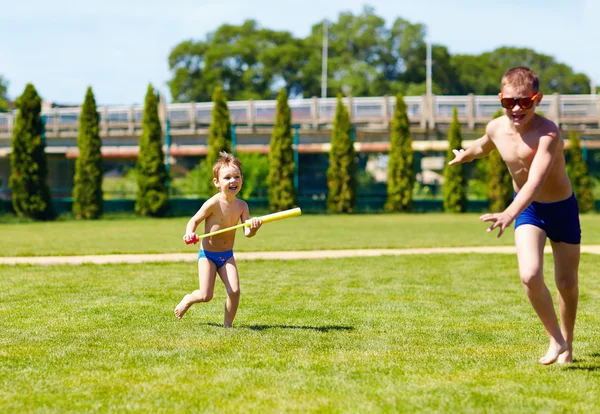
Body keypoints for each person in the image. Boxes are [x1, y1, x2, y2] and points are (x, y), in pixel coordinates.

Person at [449, 67, 580, 365]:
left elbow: (535, 181)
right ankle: (555, 340)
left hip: (560, 208)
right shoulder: (496, 127)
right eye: (509, 103)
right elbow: (483, 146)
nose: (517, 109)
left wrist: (509, 212)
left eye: (525, 102)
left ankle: (568, 344)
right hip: (530, 211)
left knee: (566, 283)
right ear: (501, 100)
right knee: (529, 275)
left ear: (538, 99)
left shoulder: (548, 133)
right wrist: (465, 154)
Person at [175, 151, 262, 327]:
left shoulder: (242, 206)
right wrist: (190, 232)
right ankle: (189, 299)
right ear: (217, 182)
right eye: (227, 177)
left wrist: (254, 228)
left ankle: (227, 325)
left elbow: (247, 233)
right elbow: (194, 220)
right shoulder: (213, 203)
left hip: (227, 255)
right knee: (206, 296)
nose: (233, 181)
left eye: (236, 177)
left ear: (242, 180)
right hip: (207, 255)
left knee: (235, 290)